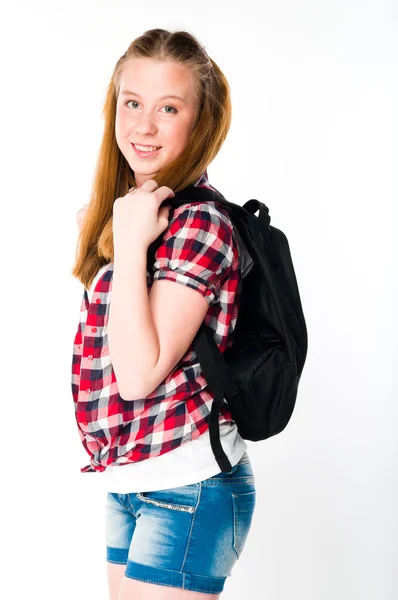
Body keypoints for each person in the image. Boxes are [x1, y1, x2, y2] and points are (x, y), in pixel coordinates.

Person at [71, 28, 256, 600]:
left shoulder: (199, 224)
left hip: (190, 484)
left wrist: (128, 247)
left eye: (168, 108)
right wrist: (122, 236)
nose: (143, 126)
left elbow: (138, 374)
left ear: (198, 122)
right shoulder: (135, 214)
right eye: (132, 103)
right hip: (131, 477)